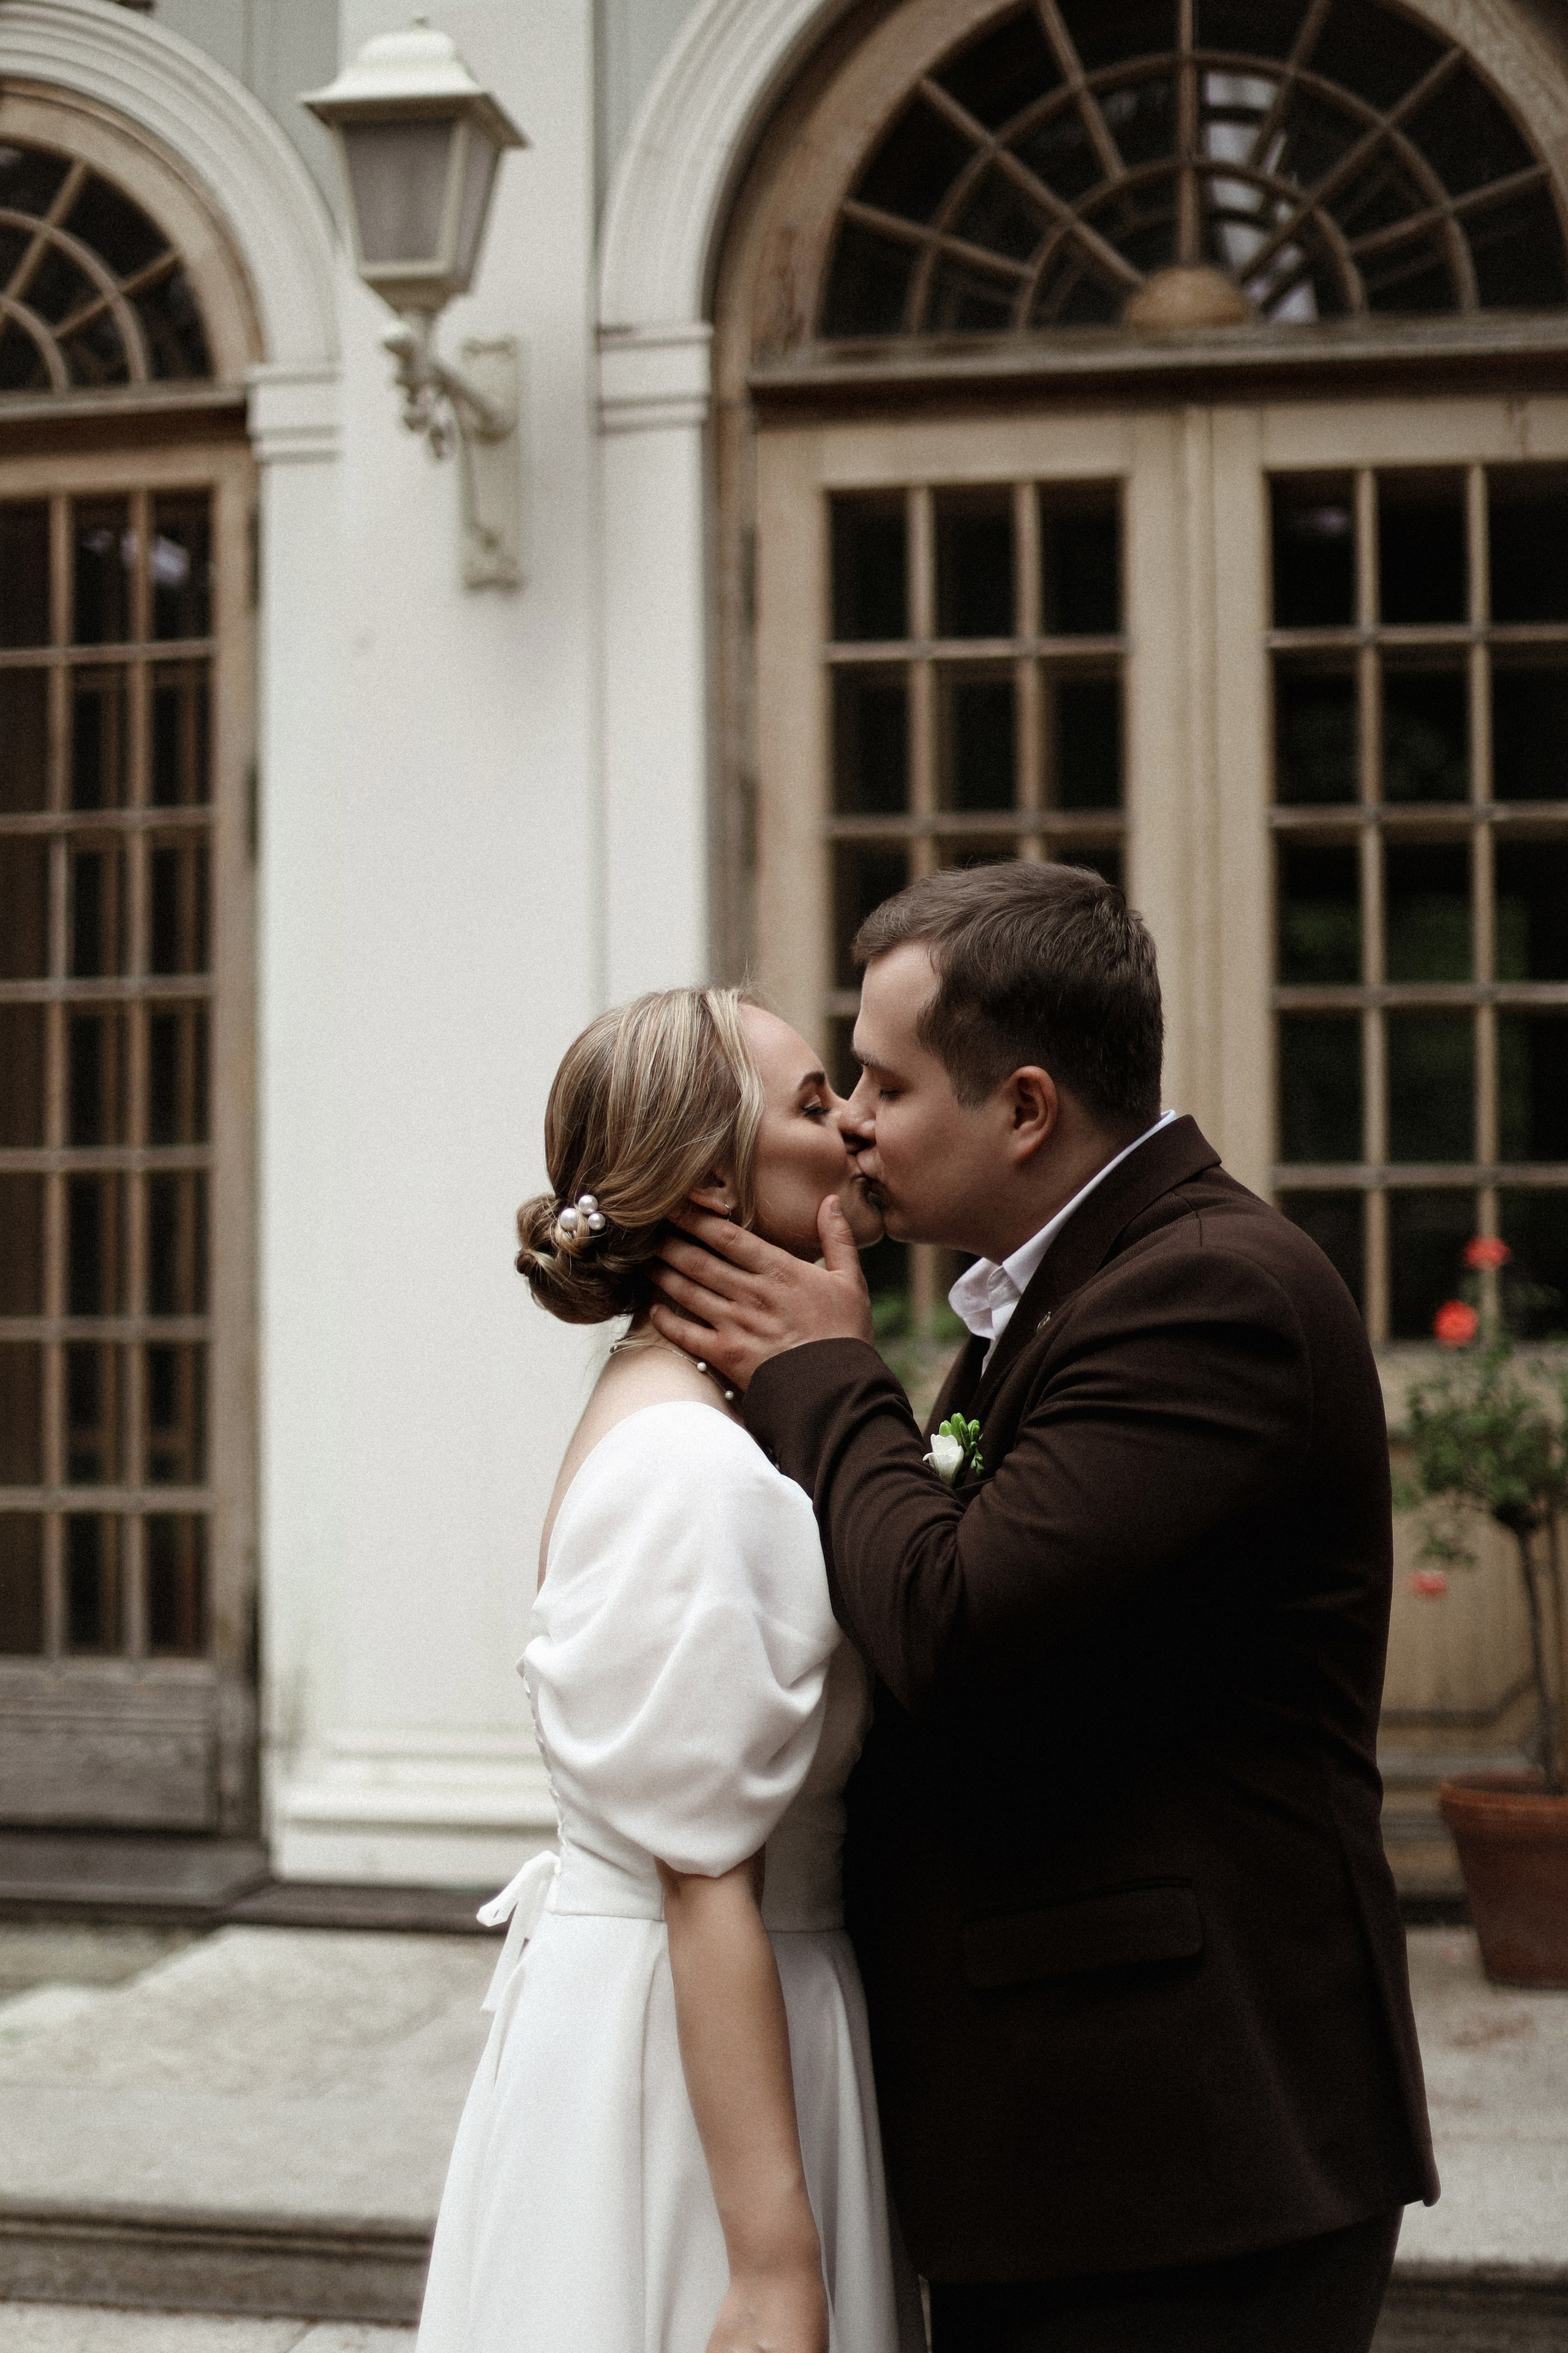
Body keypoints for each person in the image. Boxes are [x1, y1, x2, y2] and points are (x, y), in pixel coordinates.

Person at [650, 864, 1439, 2353]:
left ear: (1021, 1108)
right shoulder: (1062, 1290)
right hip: (1071, 2138)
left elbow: (954, 1620)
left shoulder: (1212, 1295)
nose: (855, 1122)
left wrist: (827, 1376)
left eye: (881, 1082)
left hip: (1183, 2155)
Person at [417, 986, 924, 2353]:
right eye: (814, 1105)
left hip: (724, 2013)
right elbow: (704, 1872)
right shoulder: (688, 1462)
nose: (855, 1133)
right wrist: (770, 2263)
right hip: (696, 2054)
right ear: (711, 1181)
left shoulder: (703, 1416)